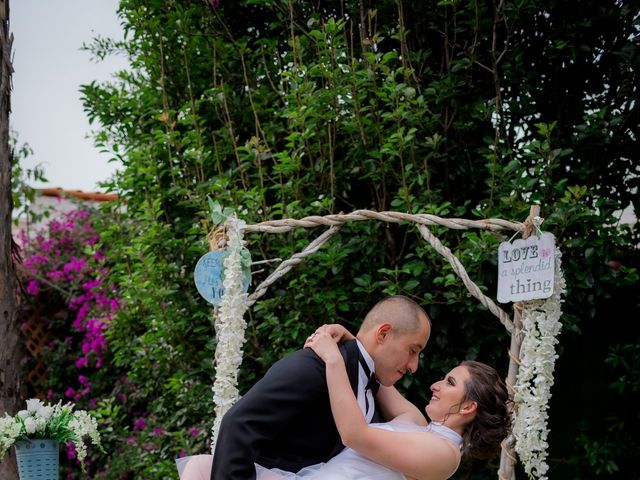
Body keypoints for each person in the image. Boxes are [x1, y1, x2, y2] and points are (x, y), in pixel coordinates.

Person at [177, 326, 511, 480]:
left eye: (450, 383)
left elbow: (354, 435)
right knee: (203, 468)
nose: (435, 384)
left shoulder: (445, 455)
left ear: (468, 407)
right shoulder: (417, 425)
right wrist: (354, 339)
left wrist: (332, 359)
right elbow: (377, 376)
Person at [177, 295, 431, 480]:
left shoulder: (366, 383)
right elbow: (239, 424)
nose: (413, 366)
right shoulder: (315, 366)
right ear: (383, 334)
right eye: (413, 350)